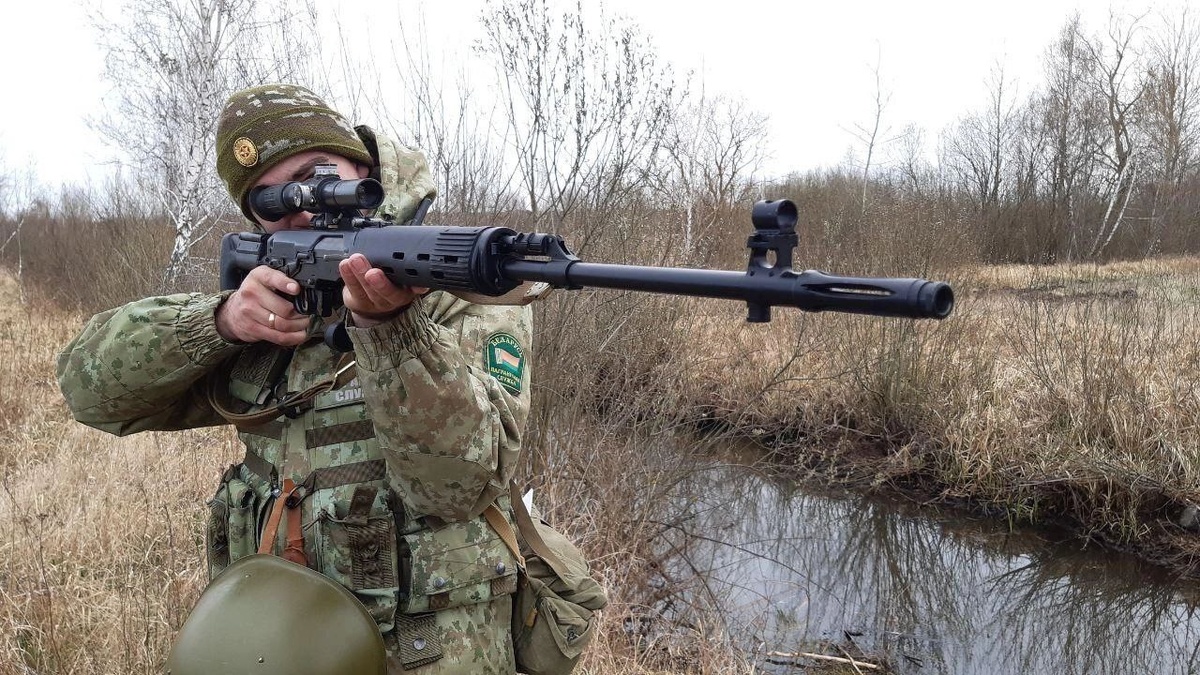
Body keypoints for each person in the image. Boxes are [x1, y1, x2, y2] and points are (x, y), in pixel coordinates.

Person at [56, 84, 532, 674]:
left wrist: (392, 329)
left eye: (317, 176)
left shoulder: (458, 291)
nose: (303, 208)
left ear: (362, 168)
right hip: (274, 645)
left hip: (432, 653)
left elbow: (459, 487)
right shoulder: (268, 305)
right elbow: (90, 391)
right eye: (273, 200)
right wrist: (220, 322)